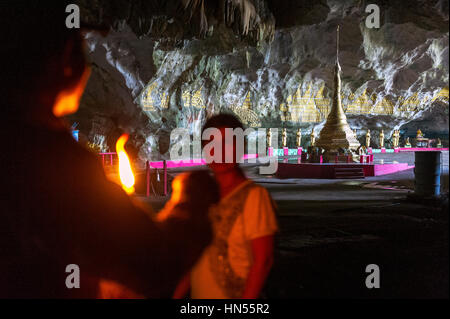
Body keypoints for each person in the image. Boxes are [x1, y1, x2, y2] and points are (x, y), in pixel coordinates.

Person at [0, 3, 218, 298]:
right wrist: (191, 199)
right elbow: (156, 263)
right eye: (80, 51)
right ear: (63, 59)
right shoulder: (55, 161)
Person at [173, 114, 278, 299]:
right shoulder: (201, 199)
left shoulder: (254, 197)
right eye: (212, 144)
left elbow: (263, 261)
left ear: (241, 147)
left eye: (227, 144)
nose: (220, 152)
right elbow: (194, 260)